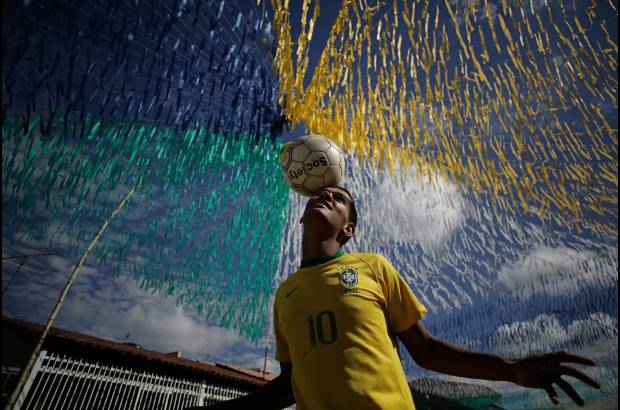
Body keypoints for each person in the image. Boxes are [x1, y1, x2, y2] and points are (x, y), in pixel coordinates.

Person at [186, 186, 600, 410]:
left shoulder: (373, 267)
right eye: (321, 195)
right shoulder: (285, 295)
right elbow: (287, 386)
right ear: (301, 216)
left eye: (339, 199)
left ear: (348, 230)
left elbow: (427, 350)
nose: (326, 196)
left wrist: (511, 370)